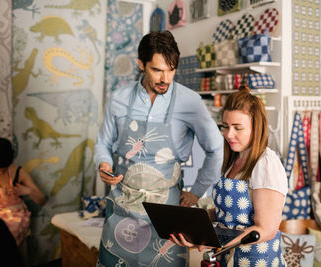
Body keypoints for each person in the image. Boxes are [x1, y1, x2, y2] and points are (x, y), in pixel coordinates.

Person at [94, 30, 224, 266]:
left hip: (167, 217)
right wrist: (104, 163)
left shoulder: (190, 102)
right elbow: (103, 142)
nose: (165, 78)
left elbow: (216, 148)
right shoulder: (119, 98)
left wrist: (197, 190)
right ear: (141, 64)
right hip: (121, 209)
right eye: (157, 70)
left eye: (171, 69)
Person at [170, 86, 288, 266]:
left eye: (237, 128)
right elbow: (229, 213)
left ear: (256, 128)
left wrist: (209, 242)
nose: (228, 134)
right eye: (225, 127)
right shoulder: (233, 162)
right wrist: (192, 224)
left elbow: (265, 229)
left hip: (254, 261)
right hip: (228, 259)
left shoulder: (266, 164)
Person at [0, 138, 47, 246]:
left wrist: (27, 190)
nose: (0, 174)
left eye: (3, 170)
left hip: (14, 217)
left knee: (6, 234)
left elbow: (42, 200)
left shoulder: (18, 173)